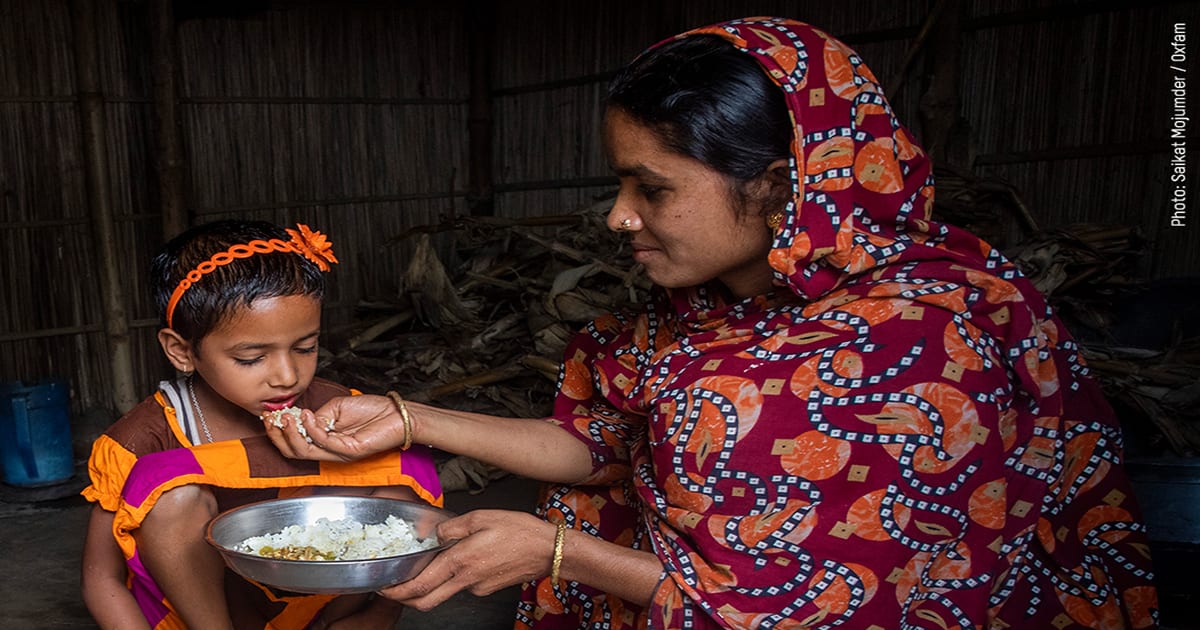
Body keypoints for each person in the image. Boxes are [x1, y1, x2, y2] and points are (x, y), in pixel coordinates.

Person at [266, 17, 1158, 629]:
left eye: (650, 188)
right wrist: (413, 418)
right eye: (621, 182)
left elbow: (821, 609)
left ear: (776, 185)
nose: (618, 217)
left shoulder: (925, 341)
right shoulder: (706, 304)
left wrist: (562, 553)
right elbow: (606, 443)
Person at [80, 220, 442, 629]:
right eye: (251, 358)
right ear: (181, 351)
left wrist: (381, 614)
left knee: (397, 474)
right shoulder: (144, 438)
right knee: (172, 496)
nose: (287, 376)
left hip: (322, 607)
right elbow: (101, 579)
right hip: (204, 613)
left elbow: (406, 514)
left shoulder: (337, 410)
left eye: (306, 347)